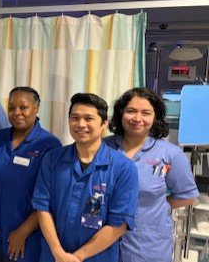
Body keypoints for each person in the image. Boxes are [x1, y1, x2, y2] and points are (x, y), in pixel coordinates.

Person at [32, 93, 139, 262]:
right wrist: (58, 253)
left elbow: (118, 224)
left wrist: (76, 257)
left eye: (89, 118)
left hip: (97, 257)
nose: (81, 124)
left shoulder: (123, 168)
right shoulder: (52, 159)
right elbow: (42, 207)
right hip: (53, 256)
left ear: (104, 123)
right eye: (75, 118)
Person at [105, 87, 199, 262]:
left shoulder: (170, 155)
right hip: (102, 240)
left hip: (147, 245)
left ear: (155, 117)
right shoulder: (103, 148)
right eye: (131, 111)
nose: (137, 118)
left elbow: (188, 197)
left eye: (146, 113)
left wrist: (156, 205)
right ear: (120, 113)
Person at [0, 87, 62, 262]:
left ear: (36, 108)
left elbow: (49, 199)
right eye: (11, 108)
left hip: (24, 240)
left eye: (23, 107)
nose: (17, 112)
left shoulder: (49, 145)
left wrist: (22, 232)